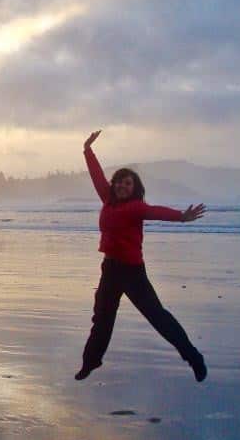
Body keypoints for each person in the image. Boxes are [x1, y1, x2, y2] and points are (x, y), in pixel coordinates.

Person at [76, 131, 207, 382]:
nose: (123, 186)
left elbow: (156, 211)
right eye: (120, 181)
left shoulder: (135, 207)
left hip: (132, 272)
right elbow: (96, 176)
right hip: (110, 270)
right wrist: (87, 150)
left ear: (134, 189)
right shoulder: (107, 198)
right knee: (102, 318)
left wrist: (181, 216)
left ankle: (193, 357)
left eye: (129, 183)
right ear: (114, 184)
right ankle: (90, 362)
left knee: (157, 316)